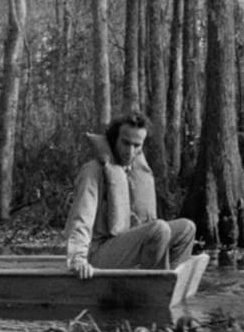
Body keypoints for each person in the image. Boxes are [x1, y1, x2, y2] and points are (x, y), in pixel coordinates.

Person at [64, 112, 195, 279]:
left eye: (136, 145)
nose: (130, 151)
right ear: (114, 139)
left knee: (187, 228)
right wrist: (78, 260)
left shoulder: (133, 172)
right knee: (159, 229)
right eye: (125, 143)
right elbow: (80, 218)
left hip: (124, 248)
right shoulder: (93, 171)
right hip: (96, 255)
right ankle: (154, 289)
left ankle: (173, 285)